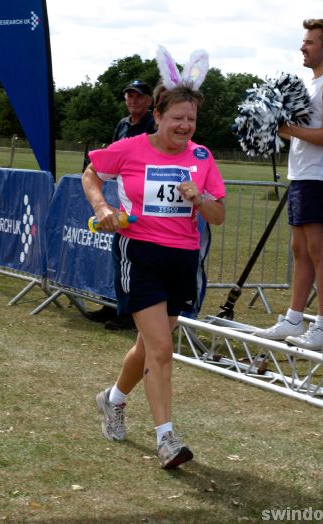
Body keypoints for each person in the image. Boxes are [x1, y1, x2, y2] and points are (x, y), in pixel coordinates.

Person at [82, 83, 226, 468]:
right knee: (161, 349)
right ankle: (167, 439)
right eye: (177, 118)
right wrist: (102, 206)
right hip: (140, 252)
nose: (184, 126)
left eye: (191, 119)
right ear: (158, 116)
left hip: (182, 259)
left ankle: (111, 399)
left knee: (149, 346)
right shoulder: (130, 147)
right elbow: (91, 174)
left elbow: (218, 216)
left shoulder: (202, 156)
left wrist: (201, 198)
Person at [254, 18, 323, 351]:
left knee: (319, 252)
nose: (303, 47)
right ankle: (294, 317)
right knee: (299, 250)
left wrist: (286, 129)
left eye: (309, 42)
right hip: (302, 176)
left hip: (321, 178)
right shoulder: (311, 85)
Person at [86, 80, 155, 330]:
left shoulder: (153, 125)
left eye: (139, 96)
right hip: (119, 194)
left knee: (133, 258)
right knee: (119, 258)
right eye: (129, 96)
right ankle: (112, 305)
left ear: (149, 101)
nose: (133, 100)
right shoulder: (123, 124)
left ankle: (129, 313)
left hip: (143, 199)